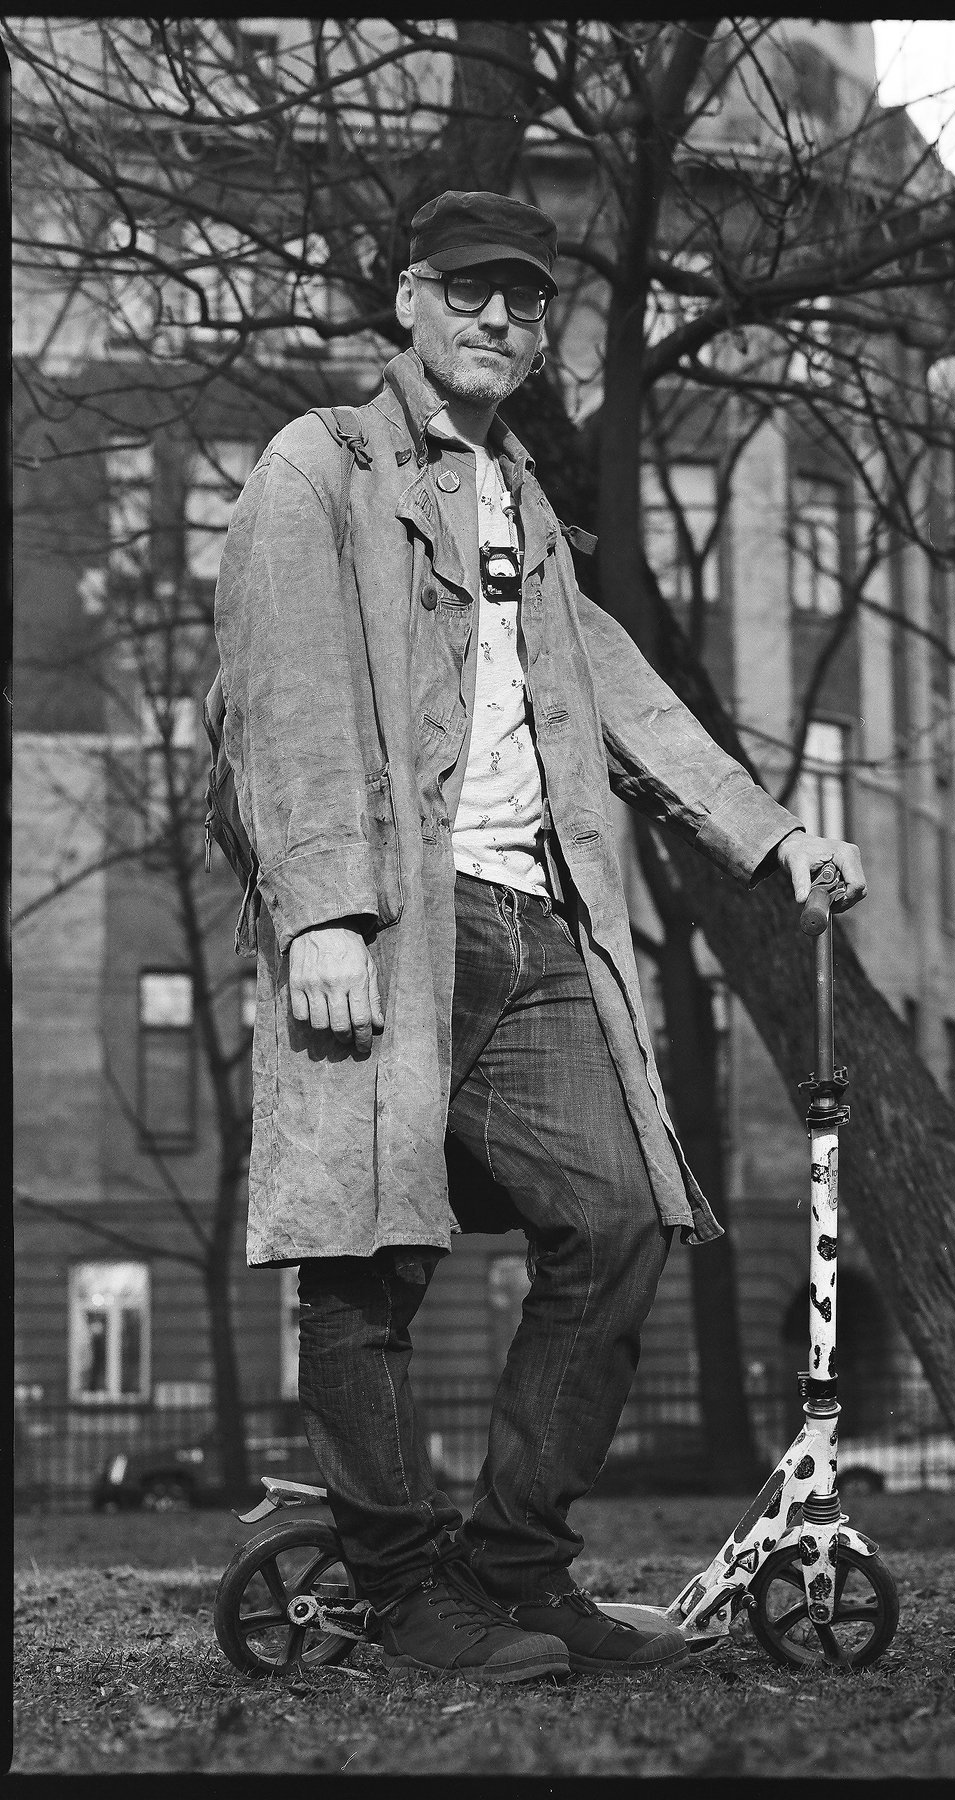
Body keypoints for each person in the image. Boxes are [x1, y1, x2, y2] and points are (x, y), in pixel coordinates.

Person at [213, 190, 866, 1686]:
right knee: (365, 1255)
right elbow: (284, 693)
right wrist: (320, 911)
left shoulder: (523, 508)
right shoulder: (320, 466)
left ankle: (511, 1567)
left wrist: (772, 836)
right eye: (469, 292)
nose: (499, 319)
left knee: (621, 1219)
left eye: (525, 300)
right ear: (409, 299)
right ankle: (400, 1593)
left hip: (536, 925)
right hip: (392, 924)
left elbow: (621, 692)